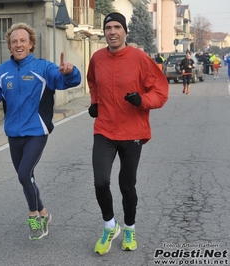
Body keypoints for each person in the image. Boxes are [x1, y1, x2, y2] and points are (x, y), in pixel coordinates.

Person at [0, 22, 81, 240]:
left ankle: (34, 215)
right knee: (28, 178)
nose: (18, 45)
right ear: (9, 46)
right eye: (14, 41)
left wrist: (70, 72)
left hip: (37, 131)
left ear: (31, 44)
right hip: (13, 134)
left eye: (22, 41)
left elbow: (66, 79)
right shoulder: (1, 72)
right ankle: (45, 212)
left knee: (24, 174)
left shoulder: (44, 68)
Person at [86, 12, 168, 255]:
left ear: (125, 31)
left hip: (132, 131)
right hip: (104, 130)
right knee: (101, 181)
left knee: (126, 184)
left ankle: (130, 227)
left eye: (117, 27)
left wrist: (142, 100)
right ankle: (110, 225)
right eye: (108, 28)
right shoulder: (97, 58)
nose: (112, 32)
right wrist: (95, 102)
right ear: (104, 32)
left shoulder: (140, 58)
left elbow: (161, 92)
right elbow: (93, 82)